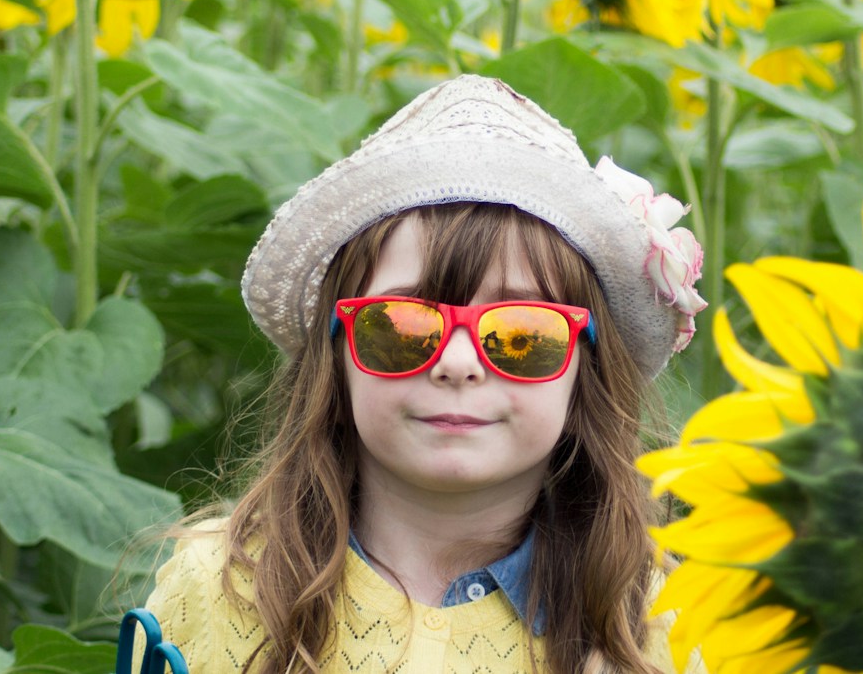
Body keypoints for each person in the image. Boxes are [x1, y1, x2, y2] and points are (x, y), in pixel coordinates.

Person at [144, 75, 710, 673]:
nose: (457, 365)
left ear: (584, 372)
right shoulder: (224, 587)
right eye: (404, 325)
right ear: (336, 361)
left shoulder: (651, 621)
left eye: (522, 335)